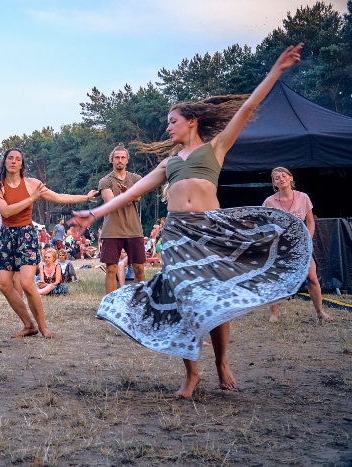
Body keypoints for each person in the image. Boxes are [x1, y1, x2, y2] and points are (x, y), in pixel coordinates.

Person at [70, 44, 311, 398]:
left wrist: (276, 69)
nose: (168, 127)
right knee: (185, 300)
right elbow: (129, 194)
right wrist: (93, 213)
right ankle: (192, 373)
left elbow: (247, 108)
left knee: (215, 299)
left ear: (192, 121)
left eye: (173, 121)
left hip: (209, 231)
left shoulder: (215, 148)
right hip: (177, 235)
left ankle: (221, 362)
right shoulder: (168, 164)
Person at [0, 147, 97, 338]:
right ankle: (29, 325)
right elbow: (5, 211)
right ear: (4, 162)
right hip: (6, 236)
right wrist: (31, 198)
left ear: (22, 164)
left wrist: (86, 197)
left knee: (27, 283)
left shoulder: (33, 184)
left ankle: (43, 327)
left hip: (26, 234)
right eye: (10, 158)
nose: (13, 161)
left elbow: (59, 197)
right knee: (4, 285)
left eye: (18, 159)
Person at [263, 167, 333, 323]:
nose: (281, 179)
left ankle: (320, 312)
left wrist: (308, 240)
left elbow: (310, 221)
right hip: (280, 245)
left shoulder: (303, 197)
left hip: (301, 243)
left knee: (312, 278)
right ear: (274, 183)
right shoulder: (269, 202)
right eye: (277, 178)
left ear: (290, 178)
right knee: (276, 279)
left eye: (283, 176)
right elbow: (266, 225)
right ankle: (273, 314)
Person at [98, 143, 146, 294]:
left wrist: (129, 194)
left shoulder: (136, 179)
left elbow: (138, 196)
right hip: (112, 229)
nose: (120, 160)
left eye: (123, 157)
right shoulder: (105, 181)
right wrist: (129, 195)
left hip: (133, 228)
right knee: (111, 269)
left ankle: (139, 302)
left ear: (127, 160)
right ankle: (111, 303)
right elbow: (111, 202)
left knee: (139, 268)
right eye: (117, 157)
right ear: (111, 160)